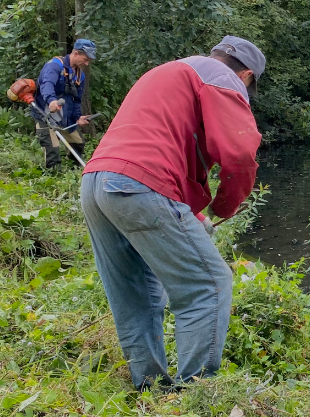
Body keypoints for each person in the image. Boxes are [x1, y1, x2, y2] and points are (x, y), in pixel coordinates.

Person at [79, 35, 265, 390]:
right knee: (208, 286)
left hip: (97, 184)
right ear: (245, 77)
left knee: (137, 296)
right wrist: (224, 206)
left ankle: (150, 391)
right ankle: (194, 393)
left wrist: (192, 214)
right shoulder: (221, 77)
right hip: (137, 185)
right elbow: (240, 155)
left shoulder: (169, 72)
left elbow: (161, 150)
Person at [32, 39, 96, 170]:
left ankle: (73, 173)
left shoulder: (80, 76)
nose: (87, 63)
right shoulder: (54, 65)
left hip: (65, 117)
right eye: (85, 59)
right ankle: (53, 178)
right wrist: (52, 101)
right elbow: (47, 84)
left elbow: (77, 99)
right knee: (53, 154)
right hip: (45, 114)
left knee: (78, 144)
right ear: (76, 53)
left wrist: (78, 117)